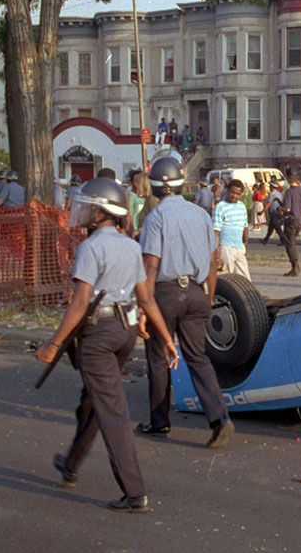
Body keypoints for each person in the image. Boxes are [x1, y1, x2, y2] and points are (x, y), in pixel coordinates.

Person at [36, 177, 179, 515]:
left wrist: (53, 345)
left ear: (101, 212)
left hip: (98, 335)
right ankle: (71, 463)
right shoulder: (130, 244)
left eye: (87, 207)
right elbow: (146, 299)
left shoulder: (90, 248)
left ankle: (135, 493)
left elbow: (79, 302)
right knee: (94, 401)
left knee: (111, 411)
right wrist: (167, 339)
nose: (80, 212)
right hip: (124, 333)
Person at [136, 156, 235, 447]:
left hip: (165, 294)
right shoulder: (202, 215)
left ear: (154, 186)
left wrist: (145, 307)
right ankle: (219, 420)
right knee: (198, 357)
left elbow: (151, 267)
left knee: (157, 356)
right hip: (196, 292)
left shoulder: (156, 217)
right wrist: (209, 298)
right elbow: (213, 264)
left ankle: (160, 423)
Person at [212, 179, 251, 280]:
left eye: (237, 194)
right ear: (227, 190)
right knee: (227, 277)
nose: (234, 196)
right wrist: (217, 254)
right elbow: (215, 232)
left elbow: (245, 226)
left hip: (239, 247)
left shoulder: (241, 206)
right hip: (226, 247)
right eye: (232, 192)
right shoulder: (220, 207)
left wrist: (245, 242)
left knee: (245, 279)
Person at [280, 172, 301, 277]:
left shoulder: (289, 191)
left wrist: (280, 209)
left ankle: (294, 266)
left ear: (290, 179)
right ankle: (296, 266)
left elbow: (287, 208)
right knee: (292, 243)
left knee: (290, 245)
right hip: (299, 220)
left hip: (291, 220)